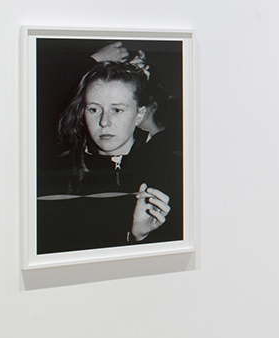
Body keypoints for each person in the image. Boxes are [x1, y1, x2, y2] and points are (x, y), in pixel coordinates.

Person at [37, 60, 178, 252]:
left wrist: (139, 236)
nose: (104, 122)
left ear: (139, 114)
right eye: (94, 109)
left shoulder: (169, 170)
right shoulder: (56, 171)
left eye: (117, 110)